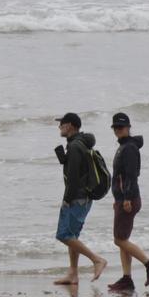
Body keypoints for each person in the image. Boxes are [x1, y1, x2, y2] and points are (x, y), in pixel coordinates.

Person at [106, 111, 149, 293]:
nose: (118, 130)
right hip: (123, 199)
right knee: (123, 239)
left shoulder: (129, 148)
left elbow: (131, 175)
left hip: (128, 200)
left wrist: (127, 198)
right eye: (115, 127)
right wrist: (119, 199)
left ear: (129, 128)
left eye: (121, 127)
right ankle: (127, 279)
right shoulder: (124, 146)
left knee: (119, 240)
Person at [52, 112, 109, 284]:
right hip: (83, 198)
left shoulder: (76, 146)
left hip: (77, 198)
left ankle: (97, 260)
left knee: (63, 235)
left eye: (62, 123)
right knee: (72, 237)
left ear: (70, 125)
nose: (59, 126)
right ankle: (73, 274)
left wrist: (67, 199)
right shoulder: (78, 144)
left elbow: (74, 178)